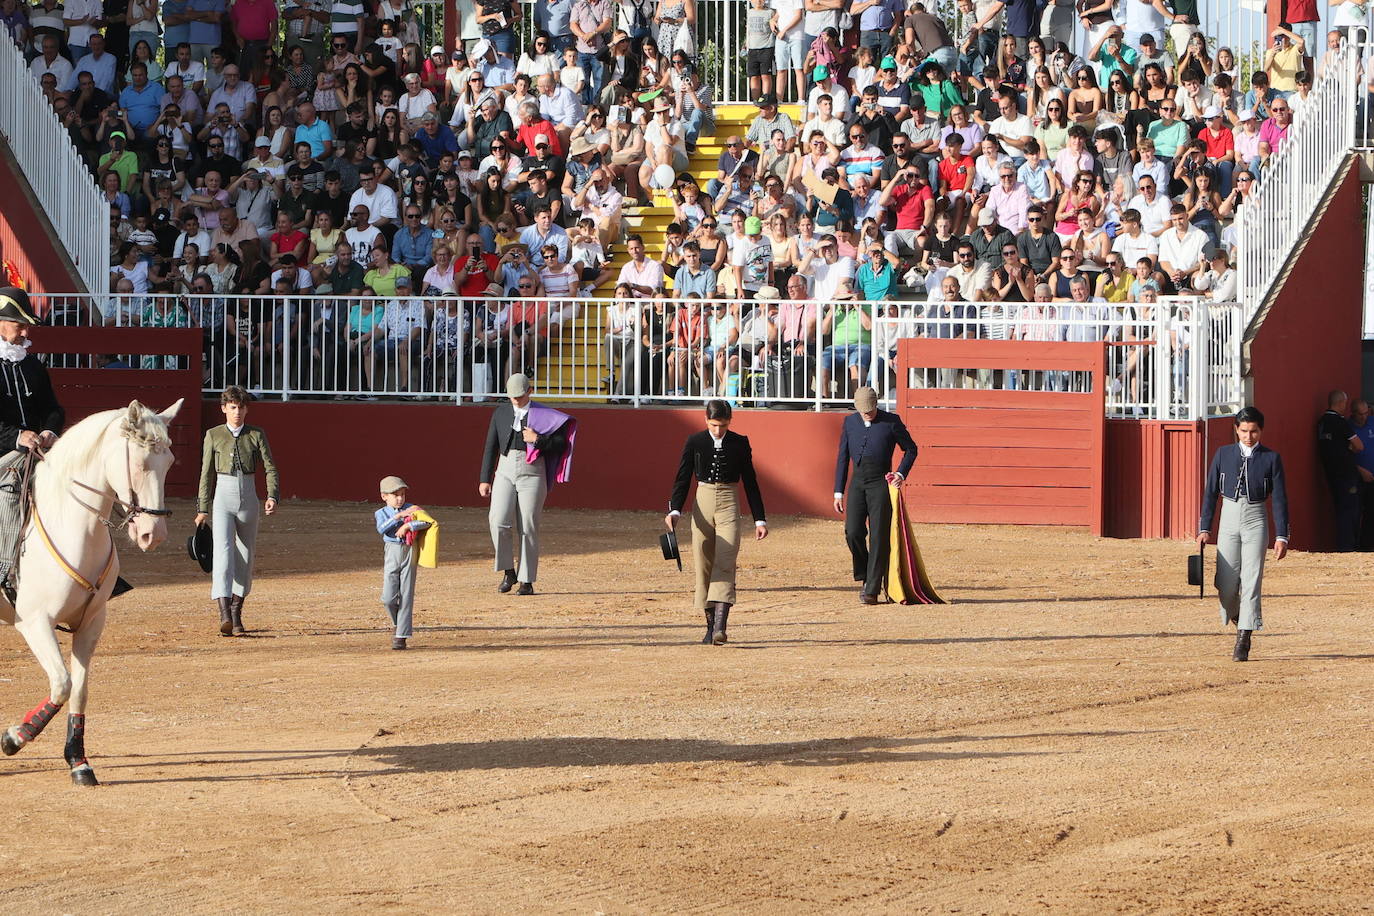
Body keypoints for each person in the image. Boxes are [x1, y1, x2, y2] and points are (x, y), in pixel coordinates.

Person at [665, 399, 767, 646]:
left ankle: (721, 627)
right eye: (713, 425)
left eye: (722, 425)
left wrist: (759, 519)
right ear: (705, 420)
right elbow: (682, 479)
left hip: (729, 501)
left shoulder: (740, 443)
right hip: (703, 501)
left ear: (730, 421)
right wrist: (675, 510)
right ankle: (710, 628)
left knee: (726, 559)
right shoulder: (695, 441)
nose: (718, 430)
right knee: (704, 565)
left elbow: (751, 482)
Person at [1198, 406, 1289, 662]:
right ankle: (1240, 615)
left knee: (1251, 578)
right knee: (1226, 585)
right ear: (1236, 430)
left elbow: (1280, 499)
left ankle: (1244, 637)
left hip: (1256, 518)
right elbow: (1210, 494)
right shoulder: (1223, 454)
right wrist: (1204, 528)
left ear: (1261, 431)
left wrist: (1282, 535)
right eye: (1244, 431)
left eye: (1254, 431)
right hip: (1228, 516)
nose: (1249, 436)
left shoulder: (1271, 458)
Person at [194, 386, 281, 637]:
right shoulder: (213, 435)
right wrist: (203, 509)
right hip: (222, 497)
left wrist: (272, 496)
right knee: (222, 553)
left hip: (249, 497)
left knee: (246, 555)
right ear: (224, 408)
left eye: (241, 407)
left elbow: (270, 468)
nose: (237, 412)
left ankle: (236, 612)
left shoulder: (256, 434)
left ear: (246, 409)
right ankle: (223, 614)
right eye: (232, 407)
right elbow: (206, 473)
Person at [478, 374, 575, 596]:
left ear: (529, 392)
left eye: (520, 396)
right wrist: (485, 478)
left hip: (533, 471)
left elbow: (562, 444)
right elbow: (490, 446)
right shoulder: (501, 412)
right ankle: (508, 570)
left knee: (528, 525)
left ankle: (527, 580)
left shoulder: (544, 415)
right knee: (497, 520)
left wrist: (539, 440)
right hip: (504, 469)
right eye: (512, 397)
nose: (516, 400)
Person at [0, 288, 65, 595]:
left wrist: (50, 430)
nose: (25, 332)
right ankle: (6, 572)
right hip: (4, 456)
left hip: (36, 451)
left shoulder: (33, 365)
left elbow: (53, 408)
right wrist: (16, 437)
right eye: (18, 325)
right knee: (12, 491)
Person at [834, 386, 918, 605]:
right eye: (863, 410)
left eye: (870, 409)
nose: (867, 413)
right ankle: (865, 573)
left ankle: (871, 588)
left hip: (880, 482)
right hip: (858, 482)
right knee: (853, 532)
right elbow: (843, 457)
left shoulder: (891, 421)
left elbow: (911, 449)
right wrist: (838, 491)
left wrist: (900, 473)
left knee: (879, 536)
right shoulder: (850, 422)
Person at [374, 475, 434, 650]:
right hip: (392, 550)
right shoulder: (381, 513)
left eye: (402, 495)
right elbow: (381, 529)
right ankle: (397, 623)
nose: (400, 499)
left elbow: (426, 522)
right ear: (384, 496)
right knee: (388, 598)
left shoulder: (412, 508)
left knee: (406, 592)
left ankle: (401, 635)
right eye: (395, 495)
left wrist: (409, 526)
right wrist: (399, 517)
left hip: (409, 550)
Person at [1317, 389, 1363, 553]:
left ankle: (1345, 547)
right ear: (1341, 403)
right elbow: (1359, 445)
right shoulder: (1340, 422)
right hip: (1346, 474)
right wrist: (1349, 447)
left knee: (1341, 510)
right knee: (1350, 513)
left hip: (1331, 473)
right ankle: (1348, 549)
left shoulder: (1322, 422)